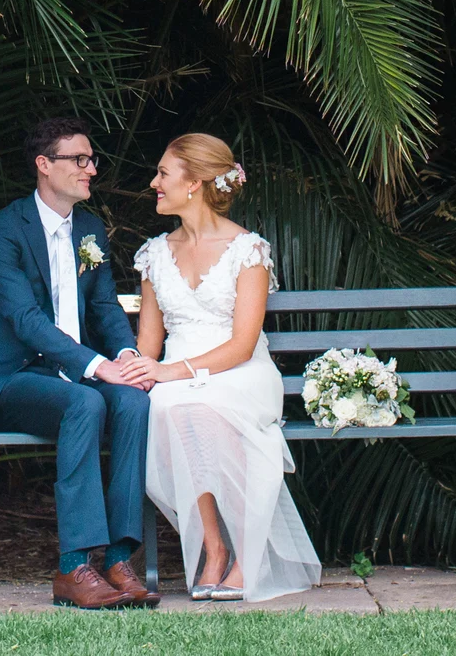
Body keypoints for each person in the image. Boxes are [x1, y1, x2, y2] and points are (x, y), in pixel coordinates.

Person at [0, 116, 161, 609]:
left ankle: (118, 559)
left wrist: (127, 357)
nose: (91, 169)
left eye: (92, 160)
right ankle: (73, 566)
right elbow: (25, 320)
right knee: (85, 404)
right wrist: (96, 365)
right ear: (44, 165)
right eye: (79, 159)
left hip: (73, 375)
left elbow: (105, 307)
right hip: (13, 379)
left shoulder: (89, 229)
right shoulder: (3, 232)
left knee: (133, 402)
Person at [133, 133, 321, 602]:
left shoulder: (247, 250)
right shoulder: (155, 254)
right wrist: (133, 366)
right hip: (178, 377)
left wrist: (174, 372)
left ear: (193, 183)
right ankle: (214, 549)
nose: (154, 182)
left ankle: (246, 557)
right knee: (169, 408)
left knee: (206, 407)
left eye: (163, 173)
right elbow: (149, 345)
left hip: (239, 372)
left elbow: (242, 345)